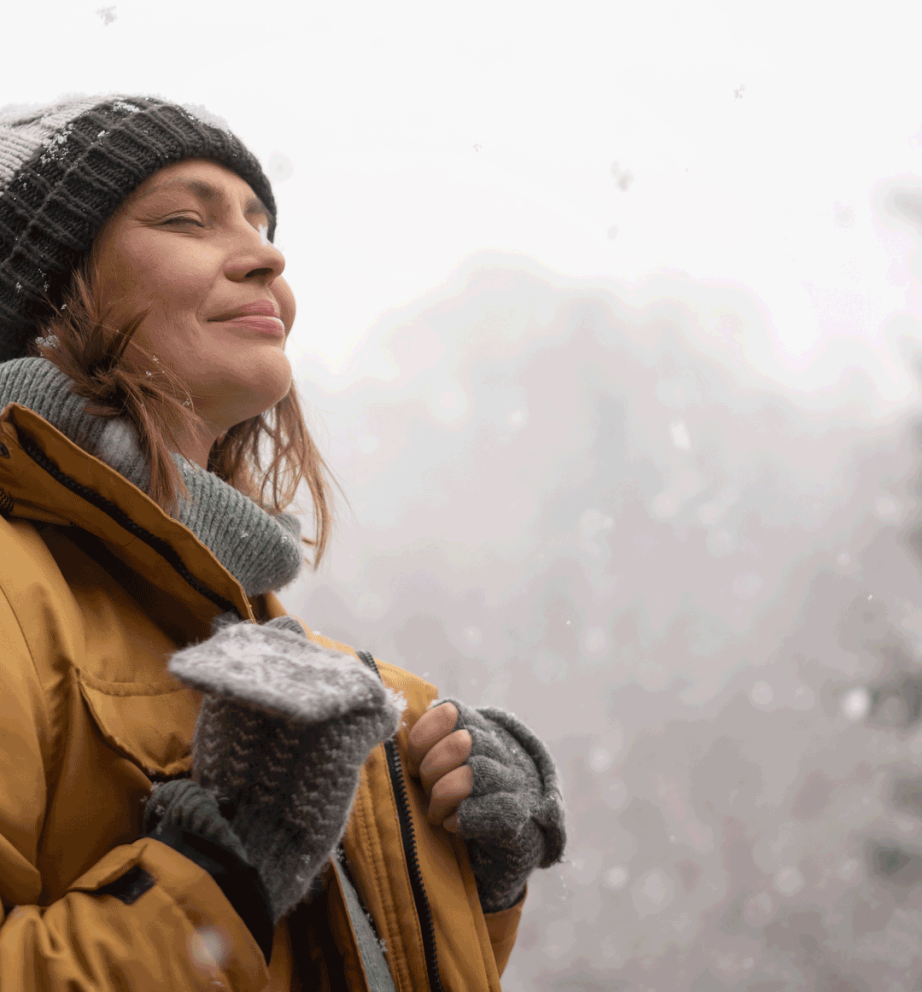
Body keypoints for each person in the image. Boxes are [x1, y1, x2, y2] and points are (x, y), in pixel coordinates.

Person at [0, 94, 567, 991]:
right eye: (188, 218)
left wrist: (464, 873)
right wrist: (218, 864)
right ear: (50, 295)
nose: (269, 254)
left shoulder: (349, 689)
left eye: (262, 223)